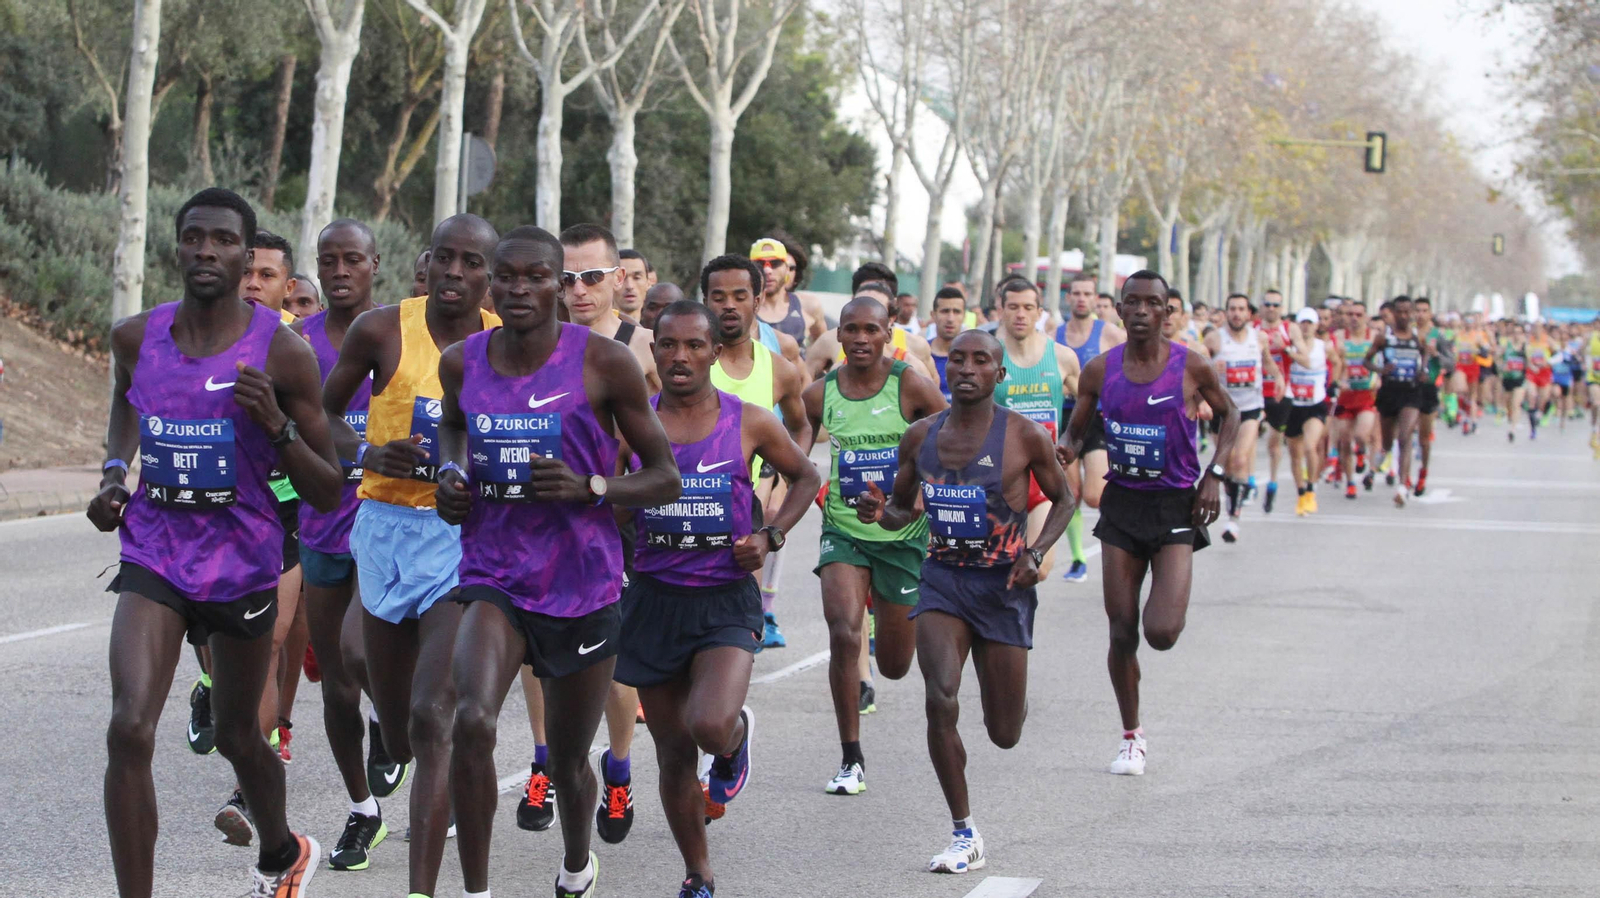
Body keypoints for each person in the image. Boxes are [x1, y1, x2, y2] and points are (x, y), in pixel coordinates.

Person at [89, 187, 338, 897]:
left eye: (223, 240)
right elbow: (125, 399)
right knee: (128, 729)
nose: (206, 250)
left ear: (246, 255)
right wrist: (115, 473)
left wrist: (277, 426)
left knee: (236, 734)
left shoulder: (283, 355)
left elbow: (325, 490)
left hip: (243, 566)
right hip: (155, 554)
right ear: (176, 247)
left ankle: (284, 847)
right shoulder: (138, 336)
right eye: (194, 237)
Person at [438, 225, 681, 898]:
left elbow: (664, 477)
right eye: (507, 276)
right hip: (493, 573)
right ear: (490, 281)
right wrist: (450, 475)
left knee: (572, 762)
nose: (520, 288)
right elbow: (454, 426)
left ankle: (577, 865)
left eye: (537, 276)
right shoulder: (464, 361)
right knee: (472, 720)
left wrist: (592, 488)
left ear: (559, 283)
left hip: (581, 582)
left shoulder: (605, 364)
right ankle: (477, 891)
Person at [321, 214, 503, 897]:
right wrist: (368, 451)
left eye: (472, 262)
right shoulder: (382, 329)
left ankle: (425, 889)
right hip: (383, 524)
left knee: (436, 718)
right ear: (426, 261)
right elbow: (321, 415)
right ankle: (394, 745)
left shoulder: (500, 342)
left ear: (489, 275)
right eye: (445, 258)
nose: (455, 272)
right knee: (393, 722)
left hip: (461, 540)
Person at [615, 299, 821, 898]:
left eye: (695, 345)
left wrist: (769, 535)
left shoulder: (749, 420)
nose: (681, 356)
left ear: (715, 352)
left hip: (725, 597)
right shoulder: (632, 424)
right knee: (673, 750)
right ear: (653, 354)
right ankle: (698, 874)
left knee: (707, 724)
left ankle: (733, 741)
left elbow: (806, 476)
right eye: (669, 345)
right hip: (653, 599)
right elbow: (604, 500)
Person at [855, 328, 1072, 874]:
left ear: (1000, 375)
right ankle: (963, 831)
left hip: (1003, 588)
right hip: (944, 581)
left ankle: (1011, 697)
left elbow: (1065, 499)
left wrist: (1037, 551)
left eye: (982, 361)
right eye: (959, 361)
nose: (967, 369)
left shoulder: (1024, 436)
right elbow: (904, 511)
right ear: (945, 372)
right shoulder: (920, 437)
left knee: (1004, 733)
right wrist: (878, 512)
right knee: (941, 697)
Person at [1057, 271, 1238, 777]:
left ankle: (1169, 601)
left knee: (1161, 632)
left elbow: (1233, 416)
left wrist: (1213, 475)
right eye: (1131, 302)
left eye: (1152, 304)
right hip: (1122, 507)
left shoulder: (1190, 366)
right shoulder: (1099, 370)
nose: (1140, 311)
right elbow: (1078, 426)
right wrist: (1065, 449)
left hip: (1176, 505)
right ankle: (1131, 737)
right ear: (1118, 309)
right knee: (1121, 631)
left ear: (1166, 313)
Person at [803, 296, 947, 795]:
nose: (861, 338)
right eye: (851, 330)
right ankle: (850, 757)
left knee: (894, 664)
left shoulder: (908, 383)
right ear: (838, 336)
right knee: (844, 633)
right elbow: (796, 450)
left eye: (871, 329)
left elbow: (949, 435)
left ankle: (882, 635)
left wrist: (928, 492)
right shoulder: (820, 394)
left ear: (889, 333)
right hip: (843, 528)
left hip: (902, 534)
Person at [293, 219, 401, 871]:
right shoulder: (296, 345)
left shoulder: (398, 335)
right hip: (323, 524)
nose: (338, 271)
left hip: (390, 525)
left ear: (374, 265)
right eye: (327, 260)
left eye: (351, 259)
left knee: (364, 656)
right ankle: (363, 811)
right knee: (336, 685)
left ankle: (391, 722)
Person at [559, 223, 663, 843]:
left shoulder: (641, 346)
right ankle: (546, 759)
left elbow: (671, 429)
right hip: (541, 519)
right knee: (537, 657)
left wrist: (621, 465)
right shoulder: (533, 344)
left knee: (612, 664)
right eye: (566, 279)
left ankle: (618, 767)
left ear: (618, 278)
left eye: (591, 277)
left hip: (613, 518)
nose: (578, 291)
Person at [211, 226, 314, 839]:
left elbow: (325, 446)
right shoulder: (195, 341)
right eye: (245, 270)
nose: (252, 283)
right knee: (222, 659)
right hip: (202, 525)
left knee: (270, 646)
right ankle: (220, 698)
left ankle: (249, 786)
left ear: (287, 287)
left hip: (280, 517)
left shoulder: (296, 353)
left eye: (266, 275)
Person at [703, 255, 812, 649]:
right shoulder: (685, 360)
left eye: (739, 295)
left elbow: (801, 426)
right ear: (705, 301)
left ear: (757, 298)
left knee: (732, 635)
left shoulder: (779, 369)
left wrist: (779, 474)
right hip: (683, 512)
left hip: (742, 521)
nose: (729, 305)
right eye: (718, 297)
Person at [994, 279, 1080, 579]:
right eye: (1013, 307)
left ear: (1039, 312)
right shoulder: (988, 357)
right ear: (1000, 310)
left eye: (1028, 307)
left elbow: (1088, 403)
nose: (1020, 314)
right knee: (997, 565)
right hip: (998, 477)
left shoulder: (1061, 357)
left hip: (1043, 476)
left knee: (1038, 568)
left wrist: (1071, 441)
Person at [1053, 274, 1123, 578]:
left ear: (1096, 299)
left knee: (1095, 494)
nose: (1081, 299)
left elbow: (1129, 368)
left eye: (1087, 294)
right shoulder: (1052, 333)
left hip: (1097, 418)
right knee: (1071, 490)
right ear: (1068, 298)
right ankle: (1079, 558)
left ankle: (1119, 538)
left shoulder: (1109, 333)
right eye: (1076, 293)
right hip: (1065, 419)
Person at [1205, 294, 1278, 541]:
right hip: (1222, 409)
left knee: (1238, 459)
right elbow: (1201, 370)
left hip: (1249, 409)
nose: (1236, 314)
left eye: (1241, 309)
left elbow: (1268, 362)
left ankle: (1233, 521)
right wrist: (1213, 370)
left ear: (1249, 314)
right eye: (1232, 309)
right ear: (1226, 312)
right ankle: (1234, 497)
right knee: (1223, 464)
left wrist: (1278, 379)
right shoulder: (1214, 338)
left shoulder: (1259, 338)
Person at [1365, 295, 1432, 505]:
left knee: (1404, 437)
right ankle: (1375, 466)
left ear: (1412, 313)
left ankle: (1402, 487)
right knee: (1386, 442)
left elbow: (1426, 357)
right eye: (1399, 312)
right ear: (1393, 313)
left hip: (1411, 392)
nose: (1404, 316)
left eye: (1407, 312)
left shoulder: (1418, 337)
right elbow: (1366, 360)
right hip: (1389, 392)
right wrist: (1380, 369)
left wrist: (1424, 372)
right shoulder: (1384, 338)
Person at [1285, 308, 1337, 515]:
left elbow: (1338, 362)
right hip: (1294, 405)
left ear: (1316, 326)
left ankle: (1312, 489)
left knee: (1309, 446)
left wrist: (1334, 383)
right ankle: (1300, 494)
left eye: (1310, 322)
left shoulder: (1323, 347)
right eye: (1302, 322)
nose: (1306, 326)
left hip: (1315, 404)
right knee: (1295, 454)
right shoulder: (1289, 346)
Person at [1330, 301, 1381, 498]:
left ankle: (1361, 453)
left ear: (1366, 317)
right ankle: (1350, 482)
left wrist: (1379, 378)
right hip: (1345, 395)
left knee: (1362, 434)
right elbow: (1332, 363)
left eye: (1359, 315)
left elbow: (1385, 360)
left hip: (1367, 395)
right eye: (1351, 314)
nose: (1354, 318)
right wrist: (1337, 381)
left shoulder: (1375, 337)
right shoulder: (1339, 338)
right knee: (1344, 440)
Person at [1256, 289, 1294, 512]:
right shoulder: (1253, 330)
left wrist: (1286, 347)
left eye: (1275, 305)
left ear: (1281, 308)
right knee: (1248, 437)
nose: (1271, 308)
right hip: (1256, 392)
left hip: (1280, 393)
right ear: (1262, 306)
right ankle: (1249, 480)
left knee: (1274, 443)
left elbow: (1305, 358)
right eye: (1267, 304)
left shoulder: (1289, 329)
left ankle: (1272, 482)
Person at [749, 237, 824, 345]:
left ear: (787, 269)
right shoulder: (743, 309)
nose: (767, 270)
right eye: (760, 264)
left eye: (775, 263)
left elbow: (824, 346)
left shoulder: (809, 306)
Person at [928, 287, 969, 400]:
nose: (950, 318)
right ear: (933, 315)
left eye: (956, 312)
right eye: (945, 311)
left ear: (964, 316)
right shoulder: (922, 355)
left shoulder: (976, 357)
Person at [618, 248, 653, 321]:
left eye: (637, 278)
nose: (629, 286)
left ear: (648, 283)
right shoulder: (589, 330)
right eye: (622, 278)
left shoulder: (659, 330)